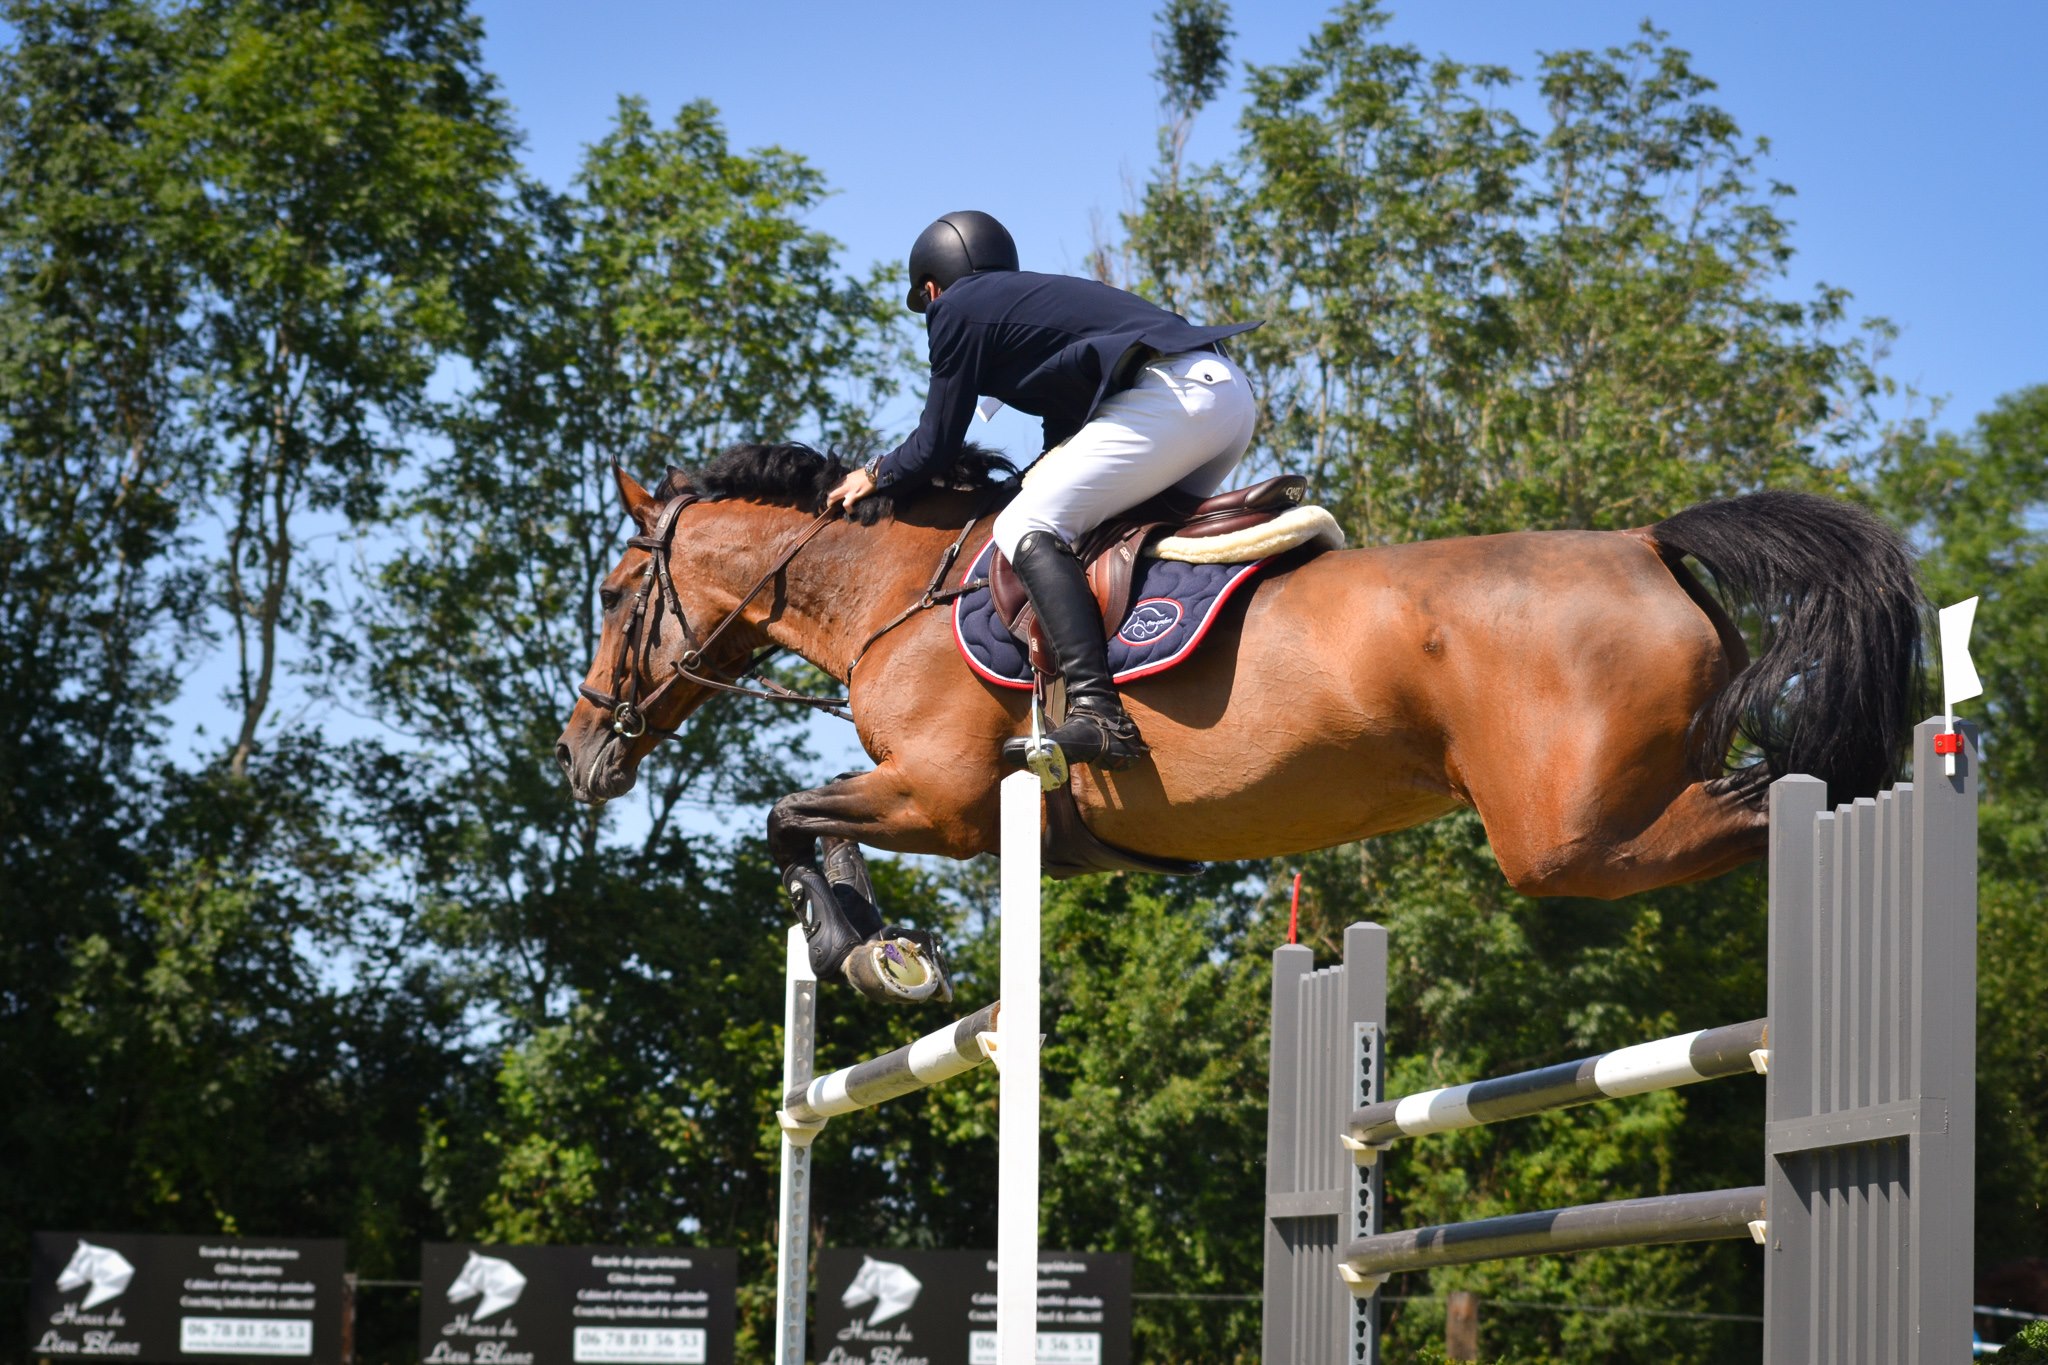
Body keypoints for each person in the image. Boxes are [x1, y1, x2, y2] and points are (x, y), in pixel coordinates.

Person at [826, 210, 1261, 771]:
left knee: (1023, 527)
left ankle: (1099, 712)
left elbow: (934, 444)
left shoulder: (956, 308)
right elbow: (1068, 434)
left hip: (1174, 400)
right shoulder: (1030, 304)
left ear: (931, 289)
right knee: (1097, 532)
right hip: (1224, 401)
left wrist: (876, 472)